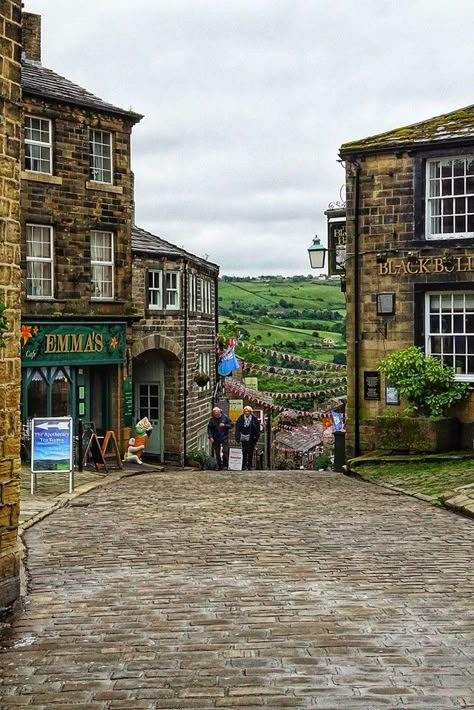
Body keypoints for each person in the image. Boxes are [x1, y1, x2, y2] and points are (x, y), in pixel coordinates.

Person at [235, 405, 261, 471]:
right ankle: (244, 466)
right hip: (244, 435)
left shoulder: (254, 418)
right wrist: (237, 436)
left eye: (248, 411)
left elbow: (257, 428)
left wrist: (256, 436)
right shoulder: (241, 418)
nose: (247, 412)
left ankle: (250, 465)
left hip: (251, 437)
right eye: (245, 411)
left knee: (251, 451)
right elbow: (238, 427)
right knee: (244, 451)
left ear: (250, 412)